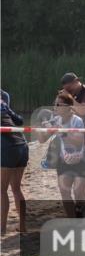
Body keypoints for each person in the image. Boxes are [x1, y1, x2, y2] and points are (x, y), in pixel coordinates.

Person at [40, 93, 85, 217]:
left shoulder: (77, 120)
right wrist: (43, 128)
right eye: (54, 104)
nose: (55, 107)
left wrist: (61, 132)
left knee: (78, 192)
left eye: (58, 104)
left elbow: (78, 141)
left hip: (82, 159)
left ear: (68, 107)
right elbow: (42, 140)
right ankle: (72, 219)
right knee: (64, 191)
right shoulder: (56, 120)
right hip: (64, 160)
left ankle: (79, 210)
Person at [1, 90, 28, 234]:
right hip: (22, 145)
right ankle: (22, 225)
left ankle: (2, 228)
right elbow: (20, 121)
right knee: (16, 189)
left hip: (8, 147)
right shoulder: (5, 107)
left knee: (1, 190)